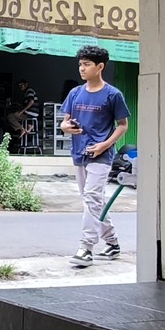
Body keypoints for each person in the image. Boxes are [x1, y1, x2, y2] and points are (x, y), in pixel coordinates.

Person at [59, 46, 130, 265]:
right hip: (79, 152)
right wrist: (66, 127)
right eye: (80, 64)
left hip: (101, 154)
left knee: (91, 197)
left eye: (87, 64)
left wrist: (104, 145)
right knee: (93, 201)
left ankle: (86, 247)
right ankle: (112, 242)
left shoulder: (113, 95)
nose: (82, 68)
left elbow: (123, 125)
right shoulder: (75, 93)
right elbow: (64, 122)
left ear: (100, 67)